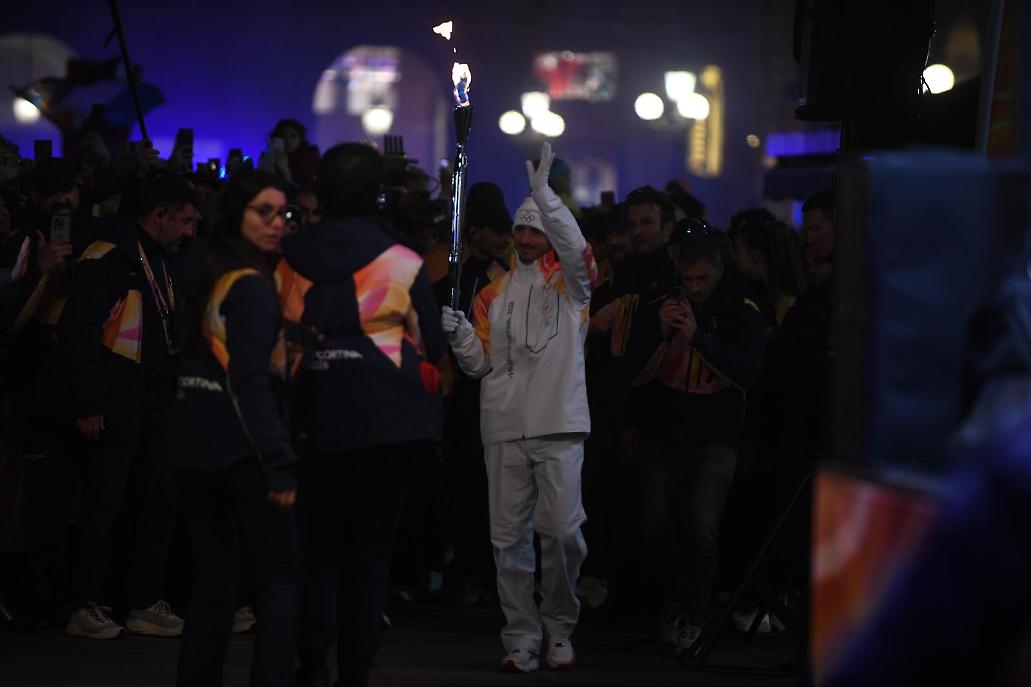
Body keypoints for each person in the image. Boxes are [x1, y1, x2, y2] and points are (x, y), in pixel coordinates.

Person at [283, 143, 445, 687]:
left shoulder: (288, 255)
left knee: (316, 555)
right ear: (378, 194)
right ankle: (355, 673)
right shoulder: (402, 259)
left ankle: (311, 667)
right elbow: (432, 346)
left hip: (309, 420)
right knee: (370, 558)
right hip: (386, 424)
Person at [442, 143, 597, 673]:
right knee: (508, 541)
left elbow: (578, 250)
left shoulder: (571, 288)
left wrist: (546, 198)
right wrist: (462, 337)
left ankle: (560, 626)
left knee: (563, 533)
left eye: (537, 231)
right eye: (521, 230)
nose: (528, 240)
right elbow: (479, 366)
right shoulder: (491, 294)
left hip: (558, 425)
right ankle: (522, 636)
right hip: (504, 428)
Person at [166, 170, 300, 687]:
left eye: (282, 213)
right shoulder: (251, 284)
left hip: (190, 445)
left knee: (214, 583)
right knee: (281, 578)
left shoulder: (206, 268)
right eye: (263, 212)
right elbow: (248, 380)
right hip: (241, 451)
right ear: (237, 214)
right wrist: (279, 463)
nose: (276, 223)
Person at [58, 173, 197, 639]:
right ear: (158, 214)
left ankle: (141, 600)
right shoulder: (106, 257)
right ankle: (84, 604)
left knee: (158, 500)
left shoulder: (162, 257)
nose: (189, 231)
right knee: (104, 504)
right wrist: (89, 403)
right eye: (184, 220)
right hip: (115, 404)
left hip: (155, 402)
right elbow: (79, 336)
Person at [625, 228, 765, 656]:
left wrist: (699, 338)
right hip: (663, 432)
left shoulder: (742, 313)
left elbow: (750, 374)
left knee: (702, 527)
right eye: (686, 279)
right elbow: (629, 371)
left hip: (716, 437)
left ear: (720, 271)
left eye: (702, 279)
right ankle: (672, 601)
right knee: (655, 524)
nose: (694, 288)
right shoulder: (659, 305)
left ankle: (694, 614)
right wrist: (659, 333)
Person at [433, 181, 511, 606]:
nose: (503, 238)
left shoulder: (510, 276)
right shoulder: (452, 278)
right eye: (496, 230)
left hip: (498, 398)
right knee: (466, 486)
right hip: (463, 401)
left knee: (496, 490)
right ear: (475, 231)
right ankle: (467, 569)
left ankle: (491, 571)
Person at [270, 118, 320, 187]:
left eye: (293, 136)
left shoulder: (309, 159)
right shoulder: (271, 157)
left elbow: (306, 190)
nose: (288, 140)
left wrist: (285, 171)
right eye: (283, 136)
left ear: (300, 139)